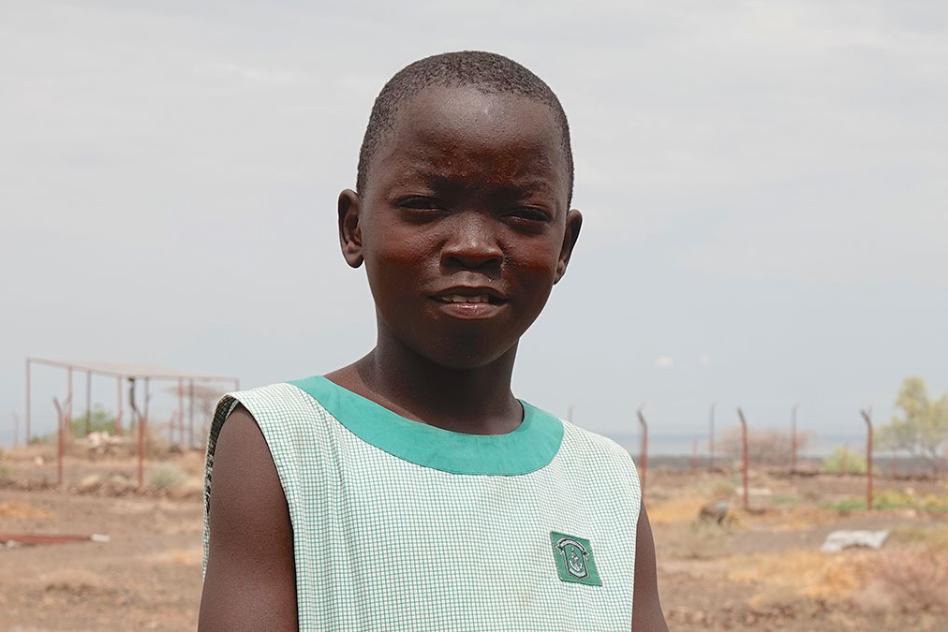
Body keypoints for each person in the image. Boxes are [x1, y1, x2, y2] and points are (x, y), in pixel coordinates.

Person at [199, 50, 667, 631]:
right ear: (354, 229)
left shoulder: (603, 478)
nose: (473, 245)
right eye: (423, 206)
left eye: (522, 215)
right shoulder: (285, 441)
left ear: (564, 246)